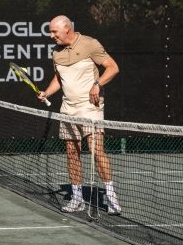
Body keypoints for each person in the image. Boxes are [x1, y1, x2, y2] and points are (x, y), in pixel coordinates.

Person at [38, 15, 121, 215]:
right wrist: (47, 92)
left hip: (90, 107)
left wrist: (97, 84)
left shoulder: (90, 44)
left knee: (96, 150)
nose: (51, 36)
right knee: (72, 152)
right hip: (68, 109)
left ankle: (111, 197)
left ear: (67, 29)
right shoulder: (56, 53)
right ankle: (77, 198)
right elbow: (59, 78)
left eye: (54, 32)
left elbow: (113, 67)